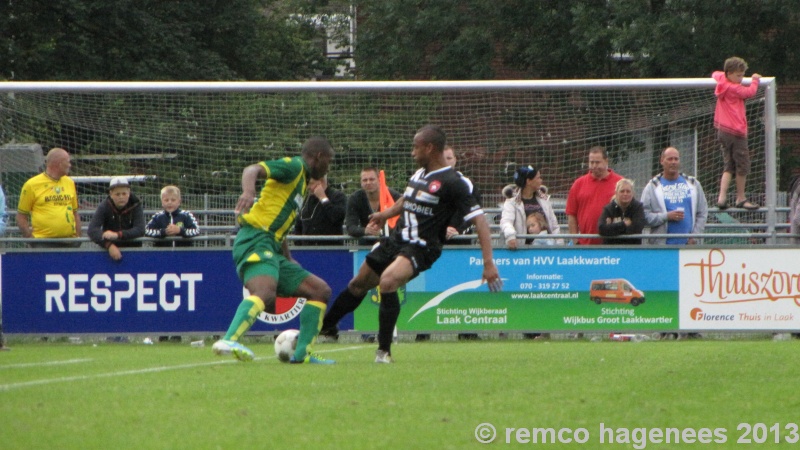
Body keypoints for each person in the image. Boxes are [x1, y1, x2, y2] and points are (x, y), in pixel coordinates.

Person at [321, 125, 502, 363]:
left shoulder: (455, 182)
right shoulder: (419, 174)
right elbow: (406, 200)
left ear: (430, 148)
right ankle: (327, 328)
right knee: (358, 284)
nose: (412, 152)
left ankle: (383, 351)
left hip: (422, 247)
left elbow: (480, 222)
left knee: (387, 282)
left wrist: (488, 263)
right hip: (396, 238)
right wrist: (385, 215)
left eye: (416, 147)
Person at [211, 136, 336, 364]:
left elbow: (281, 226)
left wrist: (288, 258)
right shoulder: (294, 166)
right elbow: (252, 169)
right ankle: (229, 340)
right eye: (329, 161)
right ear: (318, 157)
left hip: (271, 245)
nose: (329, 167)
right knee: (265, 292)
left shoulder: (301, 184)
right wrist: (248, 192)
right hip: (255, 238)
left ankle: (302, 354)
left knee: (320, 291)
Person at [712, 57, 762, 211]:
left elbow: (715, 74)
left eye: (742, 76)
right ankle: (741, 198)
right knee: (742, 165)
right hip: (736, 132)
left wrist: (724, 75)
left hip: (722, 130)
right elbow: (751, 92)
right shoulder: (735, 88)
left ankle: (722, 197)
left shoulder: (722, 82)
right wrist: (754, 80)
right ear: (729, 73)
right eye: (738, 76)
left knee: (729, 166)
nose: (741, 79)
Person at [641, 147, 708, 245]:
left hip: (689, 247)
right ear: (662, 161)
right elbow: (644, 215)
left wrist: (694, 237)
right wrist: (666, 216)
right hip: (662, 247)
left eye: (676, 159)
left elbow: (702, 212)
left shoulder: (693, 184)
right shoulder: (652, 186)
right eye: (670, 159)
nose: (673, 162)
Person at [16, 147, 82, 248]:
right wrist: (30, 238)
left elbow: (75, 212)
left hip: (69, 241)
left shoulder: (70, 183)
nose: (70, 165)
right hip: (43, 243)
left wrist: (78, 235)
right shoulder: (31, 185)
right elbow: (21, 216)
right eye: (68, 162)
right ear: (59, 164)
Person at [565, 147, 624, 245]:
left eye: (597, 162)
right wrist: (575, 241)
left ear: (606, 161)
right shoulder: (578, 184)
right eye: (591, 162)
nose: (594, 166)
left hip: (613, 245)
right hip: (585, 245)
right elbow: (571, 215)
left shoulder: (620, 183)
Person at [500, 165, 562, 249]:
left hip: (547, 250)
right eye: (538, 178)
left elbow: (554, 225)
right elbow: (506, 222)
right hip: (522, 251)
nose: (541, 180)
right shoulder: (512, 202)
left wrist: (559, 245)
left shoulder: (544, 200)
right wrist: (510, 236)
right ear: (528, 181)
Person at [87, 177, 145, 261]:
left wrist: (118, 235)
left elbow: (140, 229)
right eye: (117, 194)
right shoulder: (104, 206)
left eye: (124, 193)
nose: (121, 197)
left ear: (129, 192)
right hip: (108, 255)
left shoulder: (136, 204)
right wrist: (108, 245)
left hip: (134, 252)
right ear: (111, 194)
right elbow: (92, 230)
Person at [345, 167, 401, 245]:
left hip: (391, 243)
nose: (368, 182)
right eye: (365, 180)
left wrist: (381, 232)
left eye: (372, 179)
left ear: (379, 180)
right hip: (365, 243)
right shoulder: (354, 198)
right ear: (361, 183)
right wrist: (365, 230)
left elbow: (402, 224)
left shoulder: (393, 196)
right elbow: (350, 227)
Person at [443, 146, 482, 245]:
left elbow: (476, 213)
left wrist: (458, 231)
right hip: (434, 243)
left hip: (461, 242)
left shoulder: (467, 184)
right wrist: (442, 230)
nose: (446, 162)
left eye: (449, 158)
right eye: (442, 159)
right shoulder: (427, 183)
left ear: (455, 160)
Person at [293, 175, 346, 246]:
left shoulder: (337, 196)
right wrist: (299, 246)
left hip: (331, 249)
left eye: (311, 183)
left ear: (321, 182)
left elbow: (337, 218)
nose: (308, 187)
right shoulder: (306, 199)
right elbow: (298, 225)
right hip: (307, 250)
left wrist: (323, 198)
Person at [598, 178, 646, 245]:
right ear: (616, 193)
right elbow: (602, 229)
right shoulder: (608, 209)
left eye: (628, 191)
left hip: (632, 250)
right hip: (612, 251)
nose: (625, 194)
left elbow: (637, 228)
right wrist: (624, 224)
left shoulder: (638, 207)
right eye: (622, 191)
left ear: (633, 193)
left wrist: (612, 228)